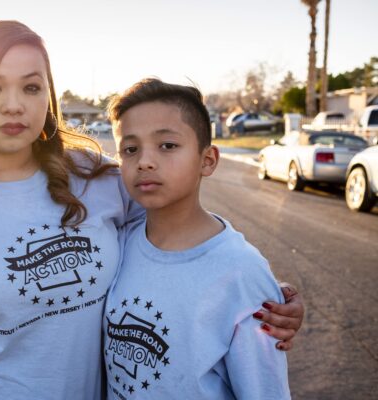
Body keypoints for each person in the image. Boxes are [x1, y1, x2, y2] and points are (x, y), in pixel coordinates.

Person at [0, 21, 302, 400]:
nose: (13, 103)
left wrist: (256, 294)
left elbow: (179, 239)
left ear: (48, 97)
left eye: (31, 86)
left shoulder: (98, 180)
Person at [103, 78, 291, 399]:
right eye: (130, 149)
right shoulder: (117, 243)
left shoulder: (242, 271)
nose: (145, 161)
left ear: (208, 160)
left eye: (167, 145)